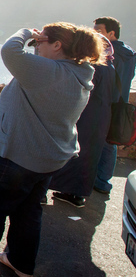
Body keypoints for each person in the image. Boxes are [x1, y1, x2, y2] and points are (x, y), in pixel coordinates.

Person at [0, 23, 103, 277]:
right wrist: (39, 41)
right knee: (27, 209)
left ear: (57, 45)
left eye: (40, 42)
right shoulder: (78, 74)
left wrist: (25, 32)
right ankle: (20, 261)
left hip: (18, 155)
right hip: (47, 158)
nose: (36, 47)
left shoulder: (50, 71)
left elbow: (10, 51)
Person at [48, 35, 117, 207]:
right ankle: (77, 194)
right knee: (89, 157)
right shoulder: (110, 65)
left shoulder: (93, 68)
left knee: (74, 153)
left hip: (86, 115)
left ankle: (65, 191)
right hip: (101, 116)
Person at [92, 16, 136, 195]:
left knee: (98, 143)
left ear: (111, 33)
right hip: (120, 103)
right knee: (110, 143)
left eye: (99, 31)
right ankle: (103, 182)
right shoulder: (129, 53)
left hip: (105, 103)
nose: (95, 34)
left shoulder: (109, 54)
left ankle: (96, 182)